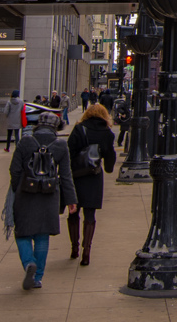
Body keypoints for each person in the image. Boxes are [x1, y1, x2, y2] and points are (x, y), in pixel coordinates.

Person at [8, 107, 76, 289]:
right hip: (49, 194)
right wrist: (71, 200)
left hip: (26, 193)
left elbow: (14, 170)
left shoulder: (26, 142)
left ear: (38, 125)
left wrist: (18, 187)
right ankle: (37, 277)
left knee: (22, 232)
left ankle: (29, 262)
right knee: (42, 236)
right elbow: (66, 175)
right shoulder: (61, 145)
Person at [66, 103, 116, 266]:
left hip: (76, 175)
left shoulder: (79, 129)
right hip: (94, 176)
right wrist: (108, 167)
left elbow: (69, 151)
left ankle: (74, 248)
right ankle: (86, 250)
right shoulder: (106, 132)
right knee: (90, 215)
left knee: (73, 212)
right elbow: (109, 156)